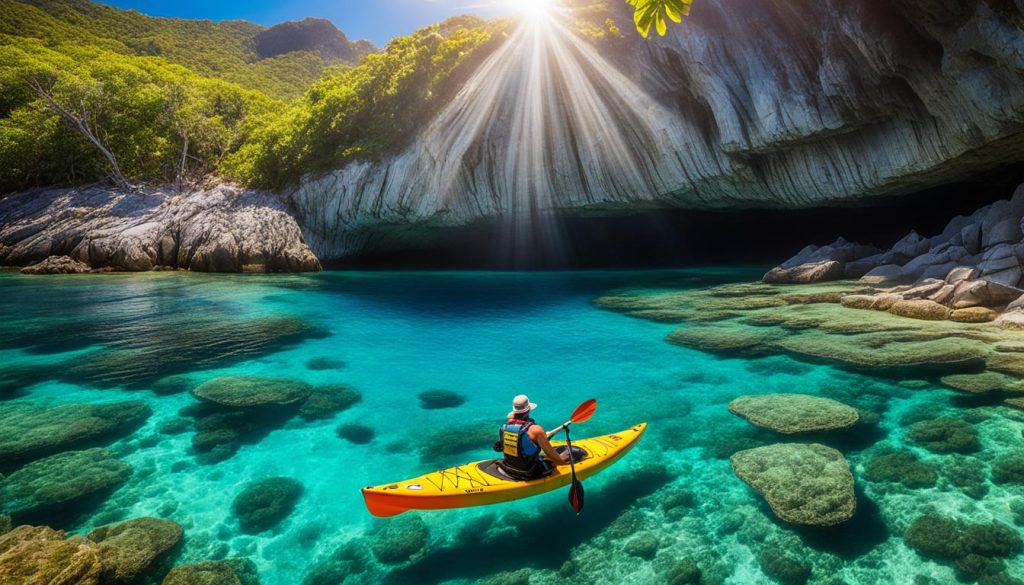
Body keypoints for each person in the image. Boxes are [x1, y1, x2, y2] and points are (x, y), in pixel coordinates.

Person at [496, 394, 569, 480]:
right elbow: (551, 453)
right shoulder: (536, 430)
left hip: (508, 467)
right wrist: (562, 462)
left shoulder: (504, 427)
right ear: (529, 409)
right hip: (528, 472)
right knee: (565, 456)